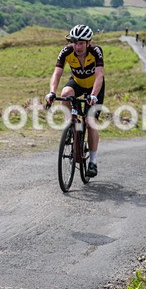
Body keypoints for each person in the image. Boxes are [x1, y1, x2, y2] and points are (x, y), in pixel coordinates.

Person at [45, 24, 105, 177]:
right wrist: (52, 92)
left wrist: (93, 95)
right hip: (77, 83)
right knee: (65, 93)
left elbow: (99, 75)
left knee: (90, 122)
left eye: (81, 43)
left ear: (88, 43)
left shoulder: (96, 51)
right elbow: (57, 73)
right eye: (75, 43)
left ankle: (93, 162)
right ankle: (71, 124)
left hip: (94, 87)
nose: (77, 47)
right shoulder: (66, 52)